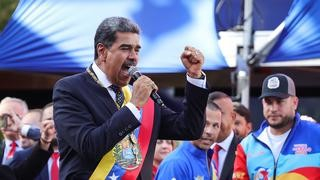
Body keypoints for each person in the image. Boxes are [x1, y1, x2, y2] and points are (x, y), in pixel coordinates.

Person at [53, 16, 209, 179]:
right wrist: (134, 106)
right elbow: (89, 145)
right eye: (125, 48)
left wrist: (195, 76)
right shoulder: (70, 89)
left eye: (137, 49)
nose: (134, 57)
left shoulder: (139, 93)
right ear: (102, 51)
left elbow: (189, 129)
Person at [233, 73, 320, 179]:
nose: (273, 108)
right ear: (262, 104)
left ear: (295, 102)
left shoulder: (316, 135)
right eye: (268, 102)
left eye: (279, 101)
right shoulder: (247, 146)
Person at [155, 101, 222, 179]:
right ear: (194, 123)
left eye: (215, 126)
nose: (209, 131)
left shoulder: (209, 161)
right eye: (205, 124)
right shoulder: (176, 163)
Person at [8, 102, 58, 180]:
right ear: (41, 125)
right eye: (48, 120)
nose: (52, 124)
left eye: (57, 119)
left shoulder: (80, 152)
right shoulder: (21, 157)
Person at [208, 91, 241, 180]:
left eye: (220, 113)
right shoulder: (198, 149)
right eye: (208, 115)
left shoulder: (245, 149)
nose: (215, 120)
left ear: (233, 117)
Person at [0, 97, 28, 164]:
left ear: (27, 118)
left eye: (15, 117)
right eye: (3, 118)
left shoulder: (37, 146)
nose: (9, 123)